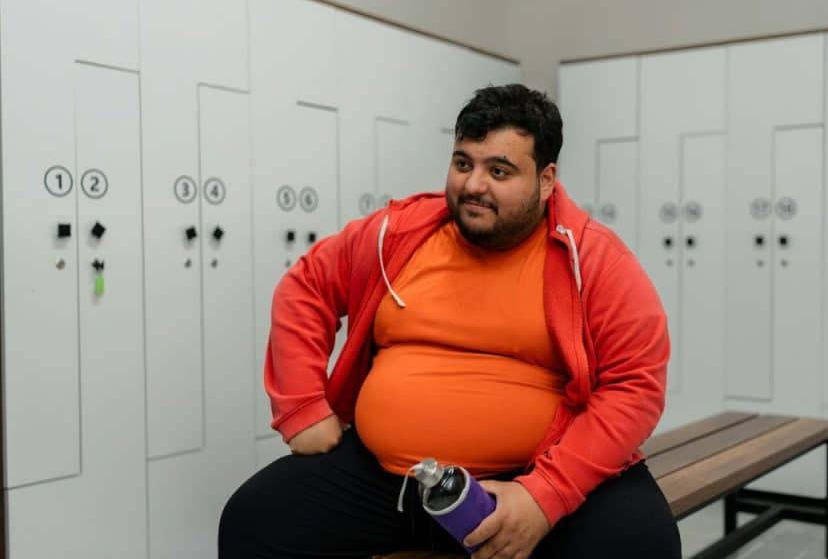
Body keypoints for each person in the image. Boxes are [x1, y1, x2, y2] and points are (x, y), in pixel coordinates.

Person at [219, 84, 680, 559]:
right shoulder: (398, 234)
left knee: (643, 545)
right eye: (464, 163)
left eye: (499, 170)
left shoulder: (594, 259)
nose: (474, 185)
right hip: (392, 480)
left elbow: (635, 384)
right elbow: (307, 285)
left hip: (532, 477)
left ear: (546, 180)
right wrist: (301, 407)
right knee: (254, 521)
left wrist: (544, 495)